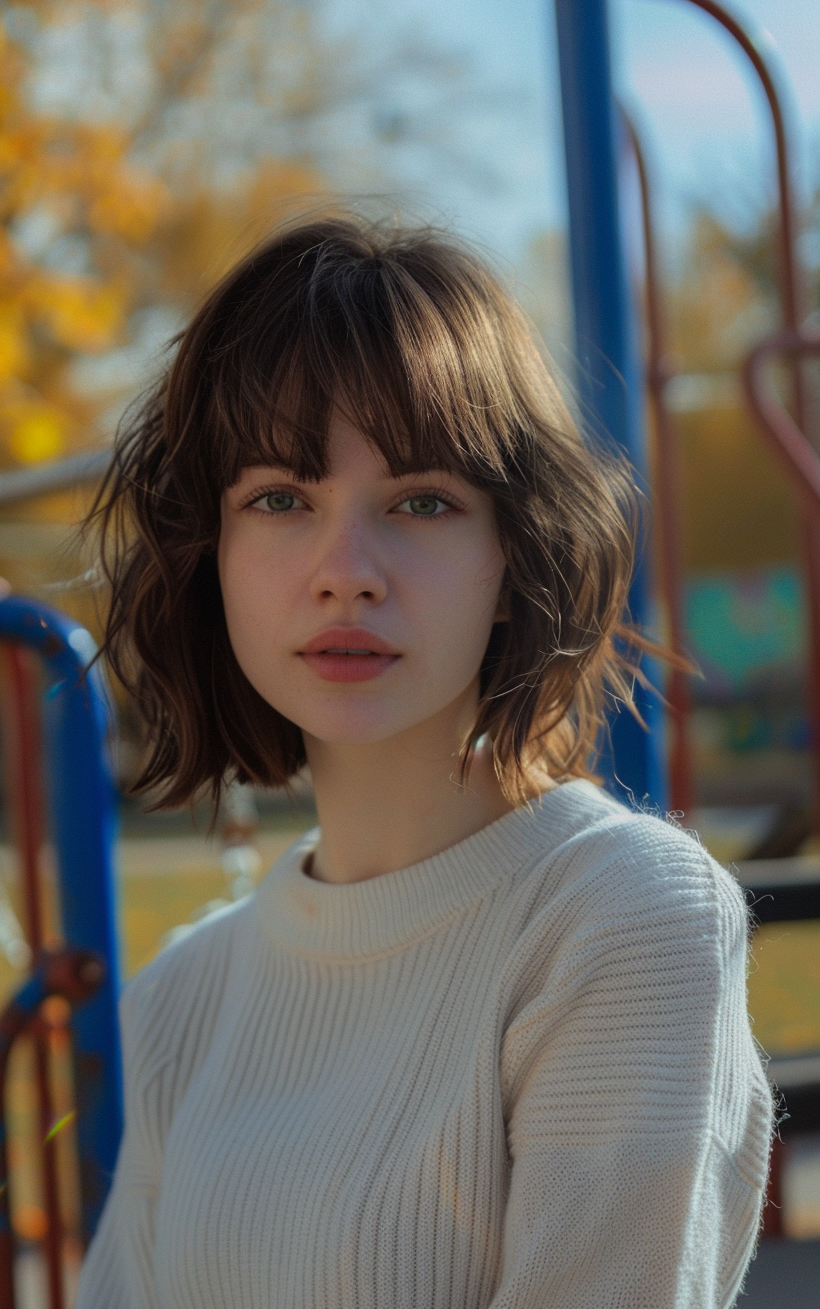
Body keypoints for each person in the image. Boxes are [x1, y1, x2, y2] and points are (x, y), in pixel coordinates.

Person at [75, 217, 773, 1309]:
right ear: (207, 554)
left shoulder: (621, 920)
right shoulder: (180, 1001)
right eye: (278, 499)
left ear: (515, 552)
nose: (344, 570)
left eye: (422, 502)